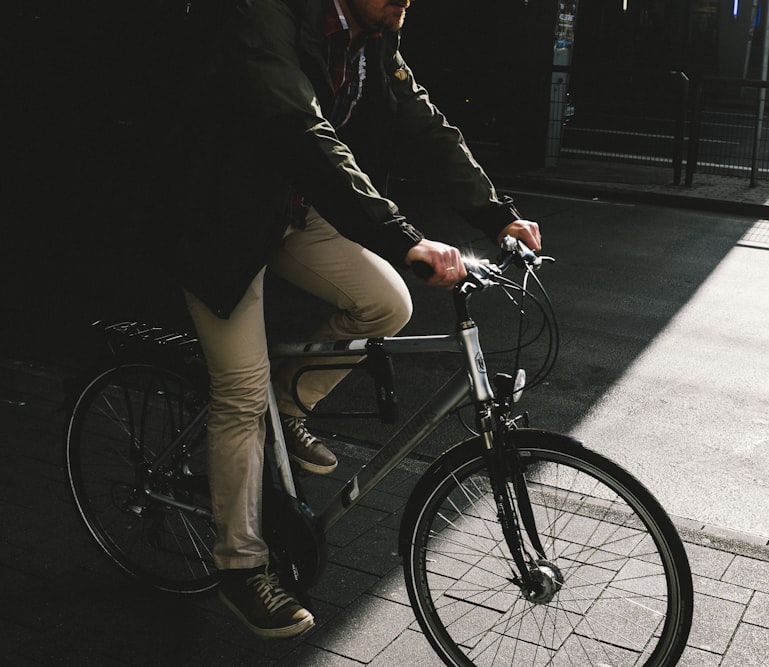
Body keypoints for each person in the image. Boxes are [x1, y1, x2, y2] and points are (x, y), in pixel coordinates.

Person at [170, 0, 541, 639]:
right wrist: (404, 238)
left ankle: (287, 408)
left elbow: (423, 125)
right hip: (219, 215)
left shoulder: (373, 34)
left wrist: (495, 214)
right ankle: (240, 567)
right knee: (239, 389)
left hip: (286, 205)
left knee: (386, 304)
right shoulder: (268, 16)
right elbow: (301, 131)